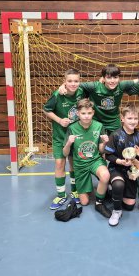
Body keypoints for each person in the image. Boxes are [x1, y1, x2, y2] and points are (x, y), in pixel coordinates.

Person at [43, 68, 85, 210]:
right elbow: (46, 109)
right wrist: (60, 120)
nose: (73, 84)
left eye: (76, 81)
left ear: (80, 81)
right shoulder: (58, 94)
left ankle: (74, 191)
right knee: (60, 163)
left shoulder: (81, 92)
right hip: (60, 136)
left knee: (74, 164)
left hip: (75, 136)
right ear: (64, 81)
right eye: (70, 81)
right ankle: (61, 195)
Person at [62, 98, 111, 218]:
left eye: (89, 113)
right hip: (80, 164)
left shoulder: (99, 126)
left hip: (95, 161)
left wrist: (105, 143)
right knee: (84, 202)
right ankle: (92, 188)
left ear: (93, 113)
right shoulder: (72, 128)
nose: (86, 116)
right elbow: (65, 153)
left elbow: (101, 150)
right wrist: (68, 143)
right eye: (83, 113)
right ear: (78, 113)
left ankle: (99, 202)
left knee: (105, 175)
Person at [103, 103, 139, 226]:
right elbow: (108, 155)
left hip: (131, 171)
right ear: (122, 118)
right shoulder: (115, 135)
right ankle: (116, 211)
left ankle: (113, 192)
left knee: (129, 206)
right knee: (118, 185)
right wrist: (120, 161)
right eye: (129, 118)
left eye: (135, 118)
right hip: (116, 168)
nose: (133, 121)